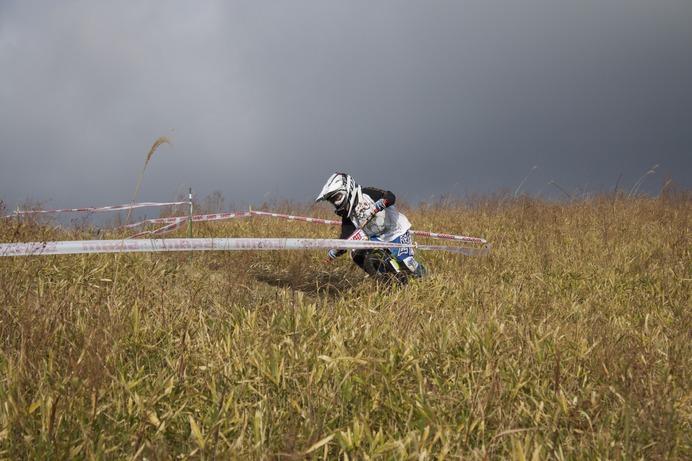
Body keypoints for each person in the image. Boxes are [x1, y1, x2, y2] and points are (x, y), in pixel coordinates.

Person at [315, 172, 426, 281]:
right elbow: (346, 236)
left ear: (347, 188)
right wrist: (337, 248)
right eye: (333, 201)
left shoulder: (367, 194)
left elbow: (390, 195)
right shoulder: (347, 215)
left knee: (406, 264)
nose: (336, 203)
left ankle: (424, 278)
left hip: (396, 231)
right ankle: (388, 280)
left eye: (337, 197)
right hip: (377, 238)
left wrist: (384, 201)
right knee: (356, 253)